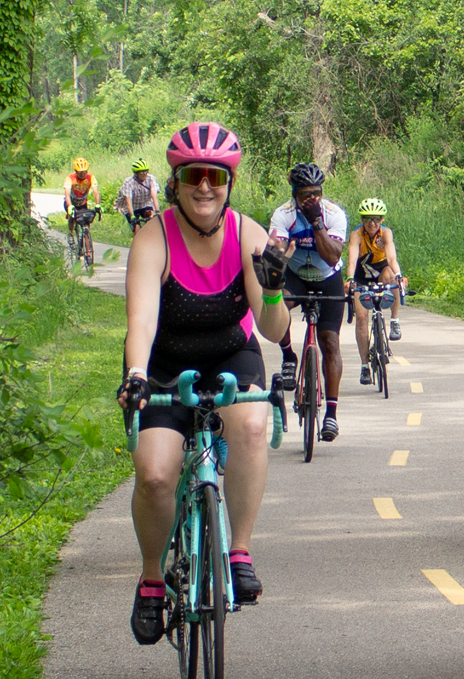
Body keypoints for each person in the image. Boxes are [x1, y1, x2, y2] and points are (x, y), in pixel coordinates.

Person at [117, 122, 294, 646]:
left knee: (252, 428)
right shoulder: (153, 238)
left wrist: (276, 289)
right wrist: (135, 377)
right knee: (154, 476)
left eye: (215, 177)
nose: (204, 187)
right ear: (174, 182)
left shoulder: (248, 235)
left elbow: (273, 331)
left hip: (231, 357)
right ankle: (152, 580)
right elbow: (142, 324)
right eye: (193, 175)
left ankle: (239, 551)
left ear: (229, 183)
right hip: (163, 363)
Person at [269, 163, 348, 441]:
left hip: (328, 277)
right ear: (294, 195)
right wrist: (275, 257)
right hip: (296, 276)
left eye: (316, 193)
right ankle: (289, 354)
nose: (311, 199)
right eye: (305, 195)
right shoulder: (284, 215)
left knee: (330, 342)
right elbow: (275, 255)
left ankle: (331, 415)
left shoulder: (334, 214)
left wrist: (316, 223)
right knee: (278, 304)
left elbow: (332, 257)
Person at [345, 198, 404, 385]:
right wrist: (350, 280)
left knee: (393, 277)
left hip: (381, 273)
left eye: (376, 219)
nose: (372, 223)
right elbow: (352, 261)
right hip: (361, 276)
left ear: (382, 219)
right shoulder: (357, 235)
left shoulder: (385, 233)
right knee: (362, 319)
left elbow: (392, 258)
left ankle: (394, 321)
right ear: (362, 220)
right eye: (368, 219)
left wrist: (400, 275)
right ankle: (364, 366)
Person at [117, 158, 161, 234]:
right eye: (142, 172)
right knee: (136, 228)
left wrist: (157, 211)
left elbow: (154, 196)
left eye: (146, 171)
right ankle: (137, 242)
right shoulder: (128, 182)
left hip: (145, 204)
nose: (144, 173)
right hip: (132, 207)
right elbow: (128, 202)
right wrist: (133, 217)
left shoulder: (151, 179)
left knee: (151, 222)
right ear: (136, 173)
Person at [63, 157, 100, 236]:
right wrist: (69, 206)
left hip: (82, 203)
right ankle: (71, 233)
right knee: (72, 218)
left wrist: (97, 204)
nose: (83, 174)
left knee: (86, 220)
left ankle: (86, 236)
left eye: (85, 171)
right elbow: (67, 194)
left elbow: (96, 192)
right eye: (80, 172)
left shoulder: (91, 177)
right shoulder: (70, 178)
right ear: (76, 171)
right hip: (71, 202)